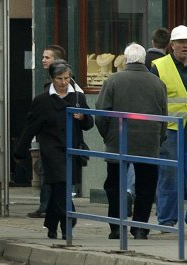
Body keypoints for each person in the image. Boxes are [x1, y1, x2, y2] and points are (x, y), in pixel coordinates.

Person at [13, 61, 94, 239]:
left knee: (60, 189)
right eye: (59, 78)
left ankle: (51, 224)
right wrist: (19, 152)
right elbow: (30, 127)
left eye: (67, 78)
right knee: (61, 186)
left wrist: (82, 117)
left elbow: (89, 124)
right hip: (51, 151)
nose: (64, 82)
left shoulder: (78, 97)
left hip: (71, 150)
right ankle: (67, 226)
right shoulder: (42, 100)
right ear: (52, 79)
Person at [96, 43, 167, 239]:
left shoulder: (113, 81)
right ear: (144, 60)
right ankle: (140, 228)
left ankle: (118, 227)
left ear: (126, 60)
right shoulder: (158, 84)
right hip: (148, 143)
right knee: (146, 186)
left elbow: (101, 114)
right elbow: (164, 117)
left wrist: (108, 136)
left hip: (118, 142)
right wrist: (158, 140)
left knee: (115, 185)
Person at [151, 25, 187, 232]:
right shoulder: (159, 66)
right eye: (181, 42)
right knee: (169, 174)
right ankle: (167, 220)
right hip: (170, 129)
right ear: (172, 45)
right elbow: (155, 101)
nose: (186, 46)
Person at [27, 44, 73, 219]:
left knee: (56, 179)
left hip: (61, 142)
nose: (43, 60)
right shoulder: (48, 87)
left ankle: (53, 210)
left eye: (47, 57)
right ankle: (50, 208)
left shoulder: (70, 89)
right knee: (50, 177)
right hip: (50, 141)